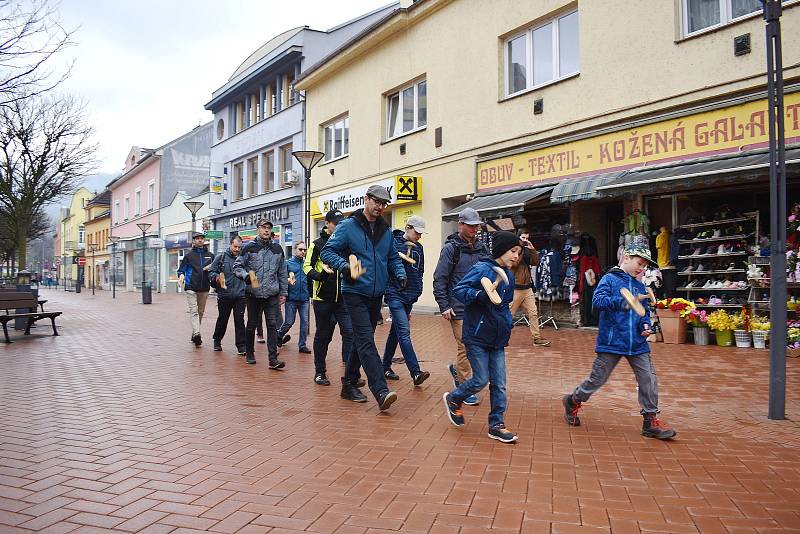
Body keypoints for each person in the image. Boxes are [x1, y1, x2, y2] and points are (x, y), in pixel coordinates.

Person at [561, 241, 677, 440]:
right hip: (612, 341)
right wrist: (622, 302)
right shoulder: (609, 279)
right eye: (639, 263)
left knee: (648, 379)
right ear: (626, 258)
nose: (641, 268)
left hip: (637, 344)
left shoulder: (640, 285)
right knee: (597, 379)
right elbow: (597, 302)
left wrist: (645, 326)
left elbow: (644, 312)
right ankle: (573, 400)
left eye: (644, 266)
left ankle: (650, 421)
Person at [321, 184, 405, 411]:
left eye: (384, 204)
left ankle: (348, 384)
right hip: (355, 291)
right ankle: (381, 390)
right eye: (377, 202)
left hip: (376, 294)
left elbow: (392, 257)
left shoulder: (386, 231)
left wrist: (400, 273)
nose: (380, 207)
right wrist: (345, 267)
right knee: (366, 340)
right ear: (366, 199)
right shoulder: (348, 226)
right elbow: (327, 252)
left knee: (361, 340)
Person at [442, 231, 521, 443]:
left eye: (518, 253)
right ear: (502, 250)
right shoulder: (481, 269)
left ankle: (496, 425)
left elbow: (505, 304)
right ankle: (453, 398)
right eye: (513, 251)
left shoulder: (509, 276)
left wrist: (507, 324)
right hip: (476, 336)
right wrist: (479, 295)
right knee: (480, 379)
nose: (516, 256)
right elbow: (459, 290)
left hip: (498, 338)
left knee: (500, 383)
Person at [433, 207, 489, 406]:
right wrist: (444, 305)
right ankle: (463, 386)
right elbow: (439, 278)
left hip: (479, 305)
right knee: (466, 346)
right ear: (461, 225)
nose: (475, 229)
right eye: (471, 226)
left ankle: (458, 373)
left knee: (477, 345)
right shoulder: (451, 249)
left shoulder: (482, 248)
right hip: (458, 307)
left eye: (477, 226)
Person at [304, 209, 354, 386]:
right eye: (336, 223)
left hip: (344, 299)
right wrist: (321, 276)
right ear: (327, 223)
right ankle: (320, 372)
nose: (339, 226)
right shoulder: (317, 244)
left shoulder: (346, 244)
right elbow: (307, 267)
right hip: (322, 299)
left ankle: (350, 374)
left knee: (350, 333)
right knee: (324, 336)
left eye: (342, 223)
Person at [233, 219, 288, 368]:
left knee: (271, 325)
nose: (266, 230)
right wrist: (245, 276)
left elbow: (282, 272)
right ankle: (250, 353)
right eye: (263, 227)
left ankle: (273, 359)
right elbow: (237, 266)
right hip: (253, 294)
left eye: (269, 228)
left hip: (271, 293)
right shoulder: (249, 247)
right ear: (258, 229)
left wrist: (283, 292)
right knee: (251, 324)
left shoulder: (278, 249)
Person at [382, 215, 430, 386]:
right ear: (408, 227)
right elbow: (387, 268)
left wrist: (418, 289)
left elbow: (420, 271)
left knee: (395, 333)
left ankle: (385, 366)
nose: (419, 236)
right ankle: (415, 372)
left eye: (421, 234)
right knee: (404, 332)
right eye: (417, 232)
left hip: (410, 296)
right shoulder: (392, 244)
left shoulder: (420, 248)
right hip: (394, 294)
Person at [510, 229, 551, 347]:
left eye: (527, 238)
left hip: (527, 288)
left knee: (533, 313)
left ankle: (537, 339)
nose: (525, 240)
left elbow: (535, 262)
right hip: (516, 288)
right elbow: (515, 263)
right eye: (523, 238)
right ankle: (499, 337)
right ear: (518, 238)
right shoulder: (513, 250)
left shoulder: (527, 250)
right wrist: (520, 248)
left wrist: (532, 250)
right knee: (508, 315)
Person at [209, 235, 247, 354]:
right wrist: (216, 277)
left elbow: (250, 273)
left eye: (239, 247)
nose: (237, 249)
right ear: (230, 244)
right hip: (224, 295)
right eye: (235, 246)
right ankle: (217, 340)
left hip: (240, 295)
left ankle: (241, 346)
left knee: (239, 321)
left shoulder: (244, 259)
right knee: (222, 319)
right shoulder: (221, 257)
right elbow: (211, 272)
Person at [177, 232, 214, 346]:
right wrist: (181, 276)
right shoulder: (189, 256)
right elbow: (181, 270)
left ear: (204, 241)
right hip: (191, 287)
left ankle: (194, 334)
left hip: (204, 287)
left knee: (200, 312)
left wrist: (212, 270)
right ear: (193, 241)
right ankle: (197, 333)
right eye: (197, 239)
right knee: (194, 311)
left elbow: (215, 269)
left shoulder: (210, 255)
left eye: (201, 239)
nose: (200, 240)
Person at [277, 242, 310, 353]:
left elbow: (310, 281)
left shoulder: (307, 264)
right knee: (289, 322)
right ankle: (279, 335)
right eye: (300, 249)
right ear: (295, 250)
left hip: (304, 299)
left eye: (305, 250)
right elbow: (281, 279)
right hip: (291, 299)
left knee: (305, 323)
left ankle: (302, 345)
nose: (303, 252)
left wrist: (311, 295)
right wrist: (287, 282)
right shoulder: (288, 264)